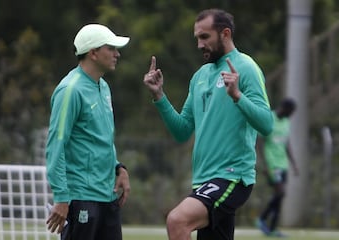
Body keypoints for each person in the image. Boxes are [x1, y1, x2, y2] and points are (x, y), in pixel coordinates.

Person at [143, 8, 273, 240]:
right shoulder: (200, 76)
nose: (199, 44)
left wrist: (237, 96)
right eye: (197, 38)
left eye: (205, 37)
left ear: (225, 34)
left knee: (177, 220)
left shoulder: (246, 67)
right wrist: (159, 97)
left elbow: (266, 124)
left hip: (232, 176)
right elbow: (182, 131)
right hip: (204, 179)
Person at [45, 23, 131, 240]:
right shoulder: (70, 90)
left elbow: (102, 137)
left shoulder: (103, 87)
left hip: (106, 196)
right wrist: (62, 197)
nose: (117, 54)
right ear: (93, 53)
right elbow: (56, 145)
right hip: (81, 197)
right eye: (110, 48)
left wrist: (118, 168)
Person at [256, 98, 298, 237]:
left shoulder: (286, 122)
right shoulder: (270, 118)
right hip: (272, 164)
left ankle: (272, 228)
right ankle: (262, 219)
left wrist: (293, 164)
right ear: (284, 108)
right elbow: (260, 142)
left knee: (279, 196)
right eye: (291, 112)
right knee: (281, 192)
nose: (291, 115)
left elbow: (287, 143)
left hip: (283, 164)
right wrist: (264, 165)